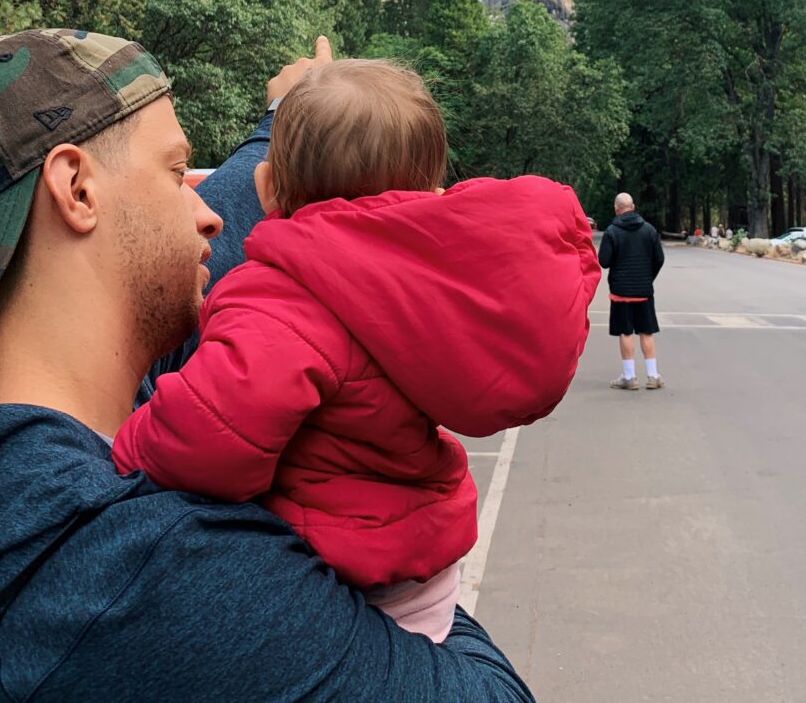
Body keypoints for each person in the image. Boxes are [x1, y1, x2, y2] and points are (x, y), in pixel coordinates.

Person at [0, 29, 537, 702]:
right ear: (77, 189)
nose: (206, 213)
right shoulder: (147, 575)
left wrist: (299, 133)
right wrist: (413, 585)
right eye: (178, 173)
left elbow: (238, 252)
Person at [113, 58, 600, 642]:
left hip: (337, 573)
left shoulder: (282, 292)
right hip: (426, 571)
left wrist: (122, 444)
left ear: (266, 189)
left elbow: (208, 439)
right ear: (434, 195)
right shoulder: (429, 285)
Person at [598, 191, 665, 391]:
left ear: (616, 209)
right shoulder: (650, 231)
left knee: (625, 332)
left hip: (621, 292)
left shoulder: (612, 232)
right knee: (646, 331)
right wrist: (647, 277)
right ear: (633, 207)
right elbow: (659, 259)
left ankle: (629, 377)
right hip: (643, 290)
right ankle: (653, 375)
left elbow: (604, 261)